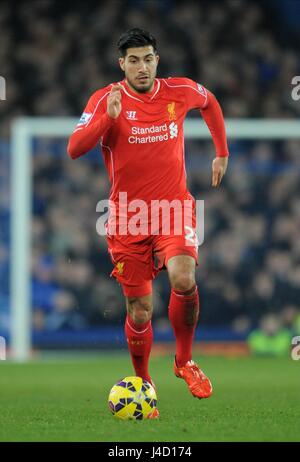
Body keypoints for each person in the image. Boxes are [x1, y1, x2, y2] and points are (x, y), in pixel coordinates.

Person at [68, 28, 229, 418]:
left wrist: (221, 152)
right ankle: (144, 382)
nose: (143, 67)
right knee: (140, 308)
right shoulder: (106, 99)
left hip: (173, 208)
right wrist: (105, 121)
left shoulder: (178, 90)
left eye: (149, 58)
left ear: (157, 59)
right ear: (121, 63)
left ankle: (184, 361)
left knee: (183, 278)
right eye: (134, 60)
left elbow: (210, 103)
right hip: (127, 216)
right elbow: (75, 149)